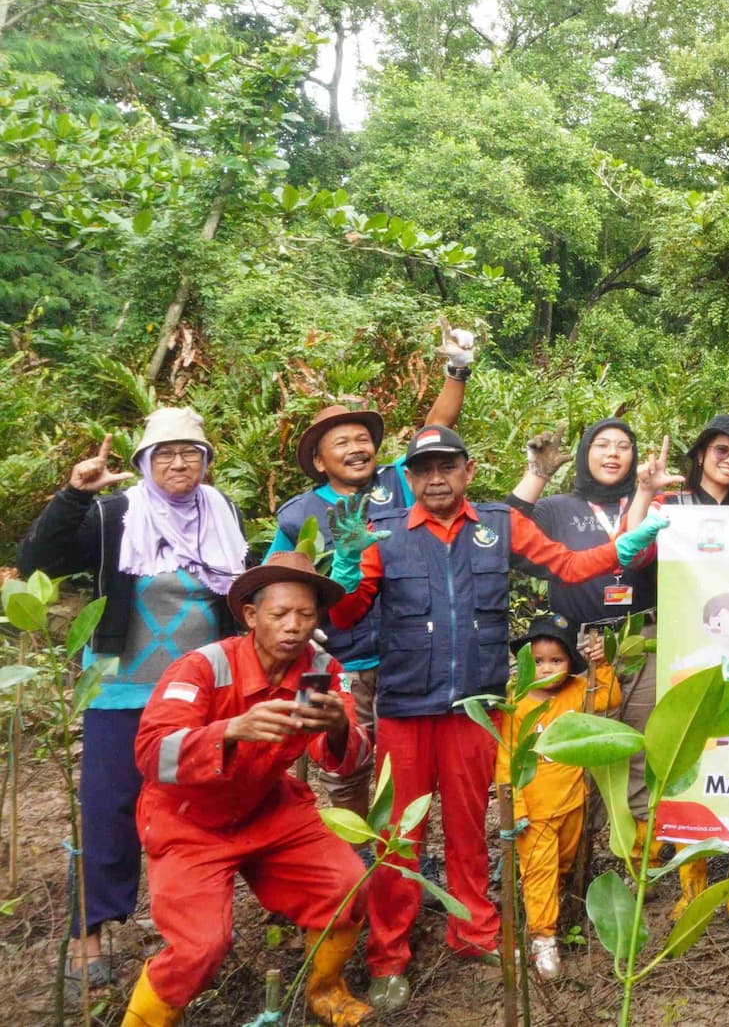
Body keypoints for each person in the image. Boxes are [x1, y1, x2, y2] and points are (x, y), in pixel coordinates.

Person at [323, 424, 669, 1011]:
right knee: (398, 838)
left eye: (446, 467)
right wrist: (347, 569)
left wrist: (622, 549)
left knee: (467, 829)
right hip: (406, 708)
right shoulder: (383, 536)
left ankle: (474, 933)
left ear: (468, 471)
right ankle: (389, 958)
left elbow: (567, 563)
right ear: (408, 479)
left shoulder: (498, 527)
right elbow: (346, 617)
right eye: (423, 469)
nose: (436, 478)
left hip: (475, 709)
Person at [14, 409, 245, 993]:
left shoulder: (223, 515)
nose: (178, 463)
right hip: (121, 687)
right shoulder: (112, 514)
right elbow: (36, 563)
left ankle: (191, 932)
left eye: (190, 452)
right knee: (109, 805)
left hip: (198, 693)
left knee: (194, 808)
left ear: (206, 462)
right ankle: (87, 930)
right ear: (143, 462)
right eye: (163, 453)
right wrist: (72, 494)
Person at [118, 552, 371, 1027]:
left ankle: (326, 990)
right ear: (252, 616)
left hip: (266, 806)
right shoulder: (204, 668)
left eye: (306, 614)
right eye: (279, 614)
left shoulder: (321, 669)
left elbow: (349, 758)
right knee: (201, 946)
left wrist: (337, 726)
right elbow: (151, 754)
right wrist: (231, 730)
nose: (293, 626)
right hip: (188, 818)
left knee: (347, 886)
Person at [268, 324, 476, 818]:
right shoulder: (301, 515)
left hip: (409, 650)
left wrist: (457, 369)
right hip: (344, 658)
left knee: (403, 759)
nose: (357, 448)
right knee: (344, 762)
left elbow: (435, 427)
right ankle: (355, 852)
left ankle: (401, 848)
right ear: (320, 462)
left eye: (362, 439)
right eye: (341, 443)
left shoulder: (398, 486)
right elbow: (276, 576)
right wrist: (297, 631)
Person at [509, 421, 661, 834]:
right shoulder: (559, 508)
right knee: (582, 740)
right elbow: (507, 538)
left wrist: (647, 494)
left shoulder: (652, 500)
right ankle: (580, 847)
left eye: (624, 446)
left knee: (640, 743)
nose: (613, 454)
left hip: (641, 637)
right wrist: (535, 474)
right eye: (602, 445)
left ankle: (636, 849)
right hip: (578, 643)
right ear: (584, 454)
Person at [645, 419, 729, 918]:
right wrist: (644, 498)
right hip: (685, 648)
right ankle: (691, 886)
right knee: (688, 766)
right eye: (722, 450)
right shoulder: (670, 508)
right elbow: (635, 555)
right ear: (701, 454)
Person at [495, 613, 619, 981]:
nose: (547, 668)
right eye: (538, 661)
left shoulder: (578, 691)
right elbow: (506, 758)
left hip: (571, 802)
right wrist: (513, 806)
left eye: (557, 660)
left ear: (570, 663)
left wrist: (602, 662)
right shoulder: (515, 702)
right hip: (533, 811)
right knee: (540, 873)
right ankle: (542, 937)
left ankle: (549, 914)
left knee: (560, 868)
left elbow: (609, 696)